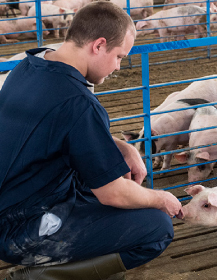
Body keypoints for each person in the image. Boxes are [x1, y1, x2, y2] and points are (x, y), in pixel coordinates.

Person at [0, 2, 182, 279]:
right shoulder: (79, 101)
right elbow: (113, 193)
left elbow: (58, 129)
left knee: (110, 176)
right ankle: (39, 276)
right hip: (24, 228)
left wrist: (121, 146)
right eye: (119, 56)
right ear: (98, 45)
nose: (118, 67)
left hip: (13, 200)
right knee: (156, 227)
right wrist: (161, 199)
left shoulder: (29, 66)